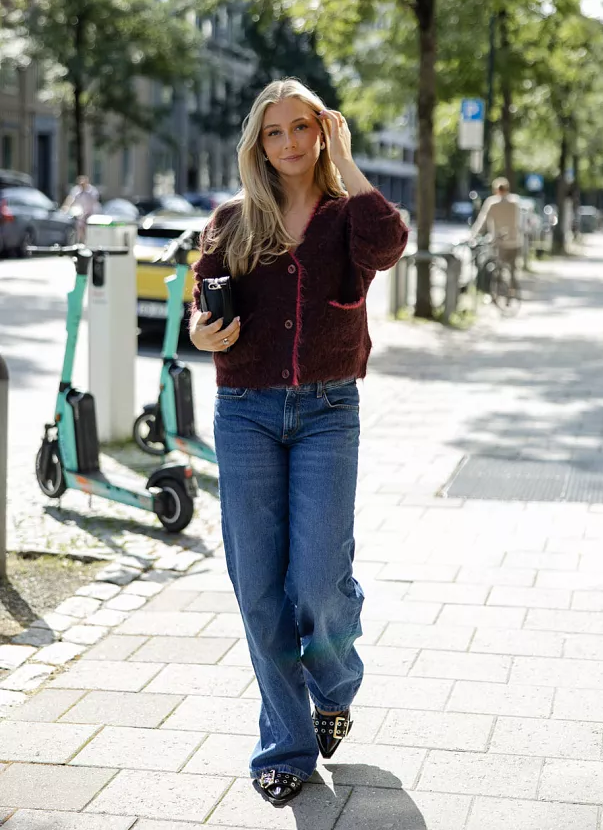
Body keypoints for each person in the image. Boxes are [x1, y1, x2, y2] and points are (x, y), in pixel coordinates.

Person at [189, 78, 408, 807]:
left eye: (301, 128)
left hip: (325, 411)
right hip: (245, 411)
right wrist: (201, 330)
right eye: (273, 131)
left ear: (322, 133)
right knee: (259, 587)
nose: (287, 143)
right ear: (257, 142)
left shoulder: (350, 218)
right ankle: (286, 742)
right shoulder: (231, 220)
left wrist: (346, 159)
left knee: (317, 580)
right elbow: (203, 305)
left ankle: (336, 683)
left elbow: (391, 242)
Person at [471, 176, 522, 295]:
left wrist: (474, 235)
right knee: (513, 269)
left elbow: (482, 221)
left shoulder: (492, 203)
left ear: (496, 190)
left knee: (497, 267)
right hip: (515, 241)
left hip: (499, 241)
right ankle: (512, 292)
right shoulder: (515, 202)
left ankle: (497, 292)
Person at [61, 175, 100, 242]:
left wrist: (87, 213)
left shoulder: (92, 191)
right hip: (82, 213)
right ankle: (80, 241)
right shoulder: (76, 190)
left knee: (89, 227)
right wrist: (66, 207)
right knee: (79, 226)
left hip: (92, 212)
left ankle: (90, 241)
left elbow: (93, 203)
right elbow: (71, 199)